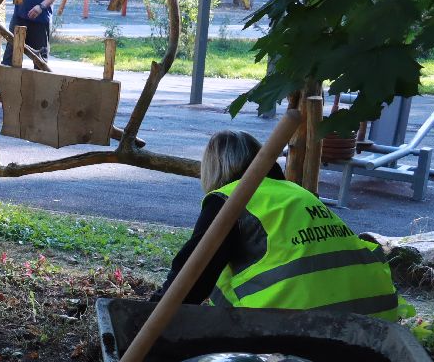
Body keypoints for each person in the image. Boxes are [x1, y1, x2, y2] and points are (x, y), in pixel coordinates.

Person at [157, 130, 407, 319]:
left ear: (212, 169)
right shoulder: (296, 193)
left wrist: (147, 313)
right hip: (377, 319)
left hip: (298, 327)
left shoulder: (231, 200)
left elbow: (192, 275)